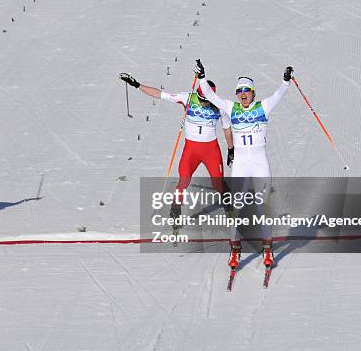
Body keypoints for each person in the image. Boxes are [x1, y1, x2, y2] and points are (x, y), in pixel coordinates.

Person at [194, 60, 293, 269]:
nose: (243, 93)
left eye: (246, 90)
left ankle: (268, 250)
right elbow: (211, 96)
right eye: (240, 91)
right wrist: (202, 77)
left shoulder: (262, 107)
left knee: (262, 207)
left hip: (259, 163)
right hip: (240, 164)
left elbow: (278, 96)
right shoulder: (231, 108)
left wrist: (285, 82)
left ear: (253, 93)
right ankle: (235, 251)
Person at [119, 73, 234, 220]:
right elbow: (161, 95)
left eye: (207, 100)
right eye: (201, 99)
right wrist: (137, 85)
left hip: (211, 150)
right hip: (191, 149)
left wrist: (231, 149)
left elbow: (227, 129)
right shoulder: (188, 97)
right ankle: (175, 209)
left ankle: (228, 204)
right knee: (183, 181)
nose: (204, 103)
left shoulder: (220, 106)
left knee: (218, 184)